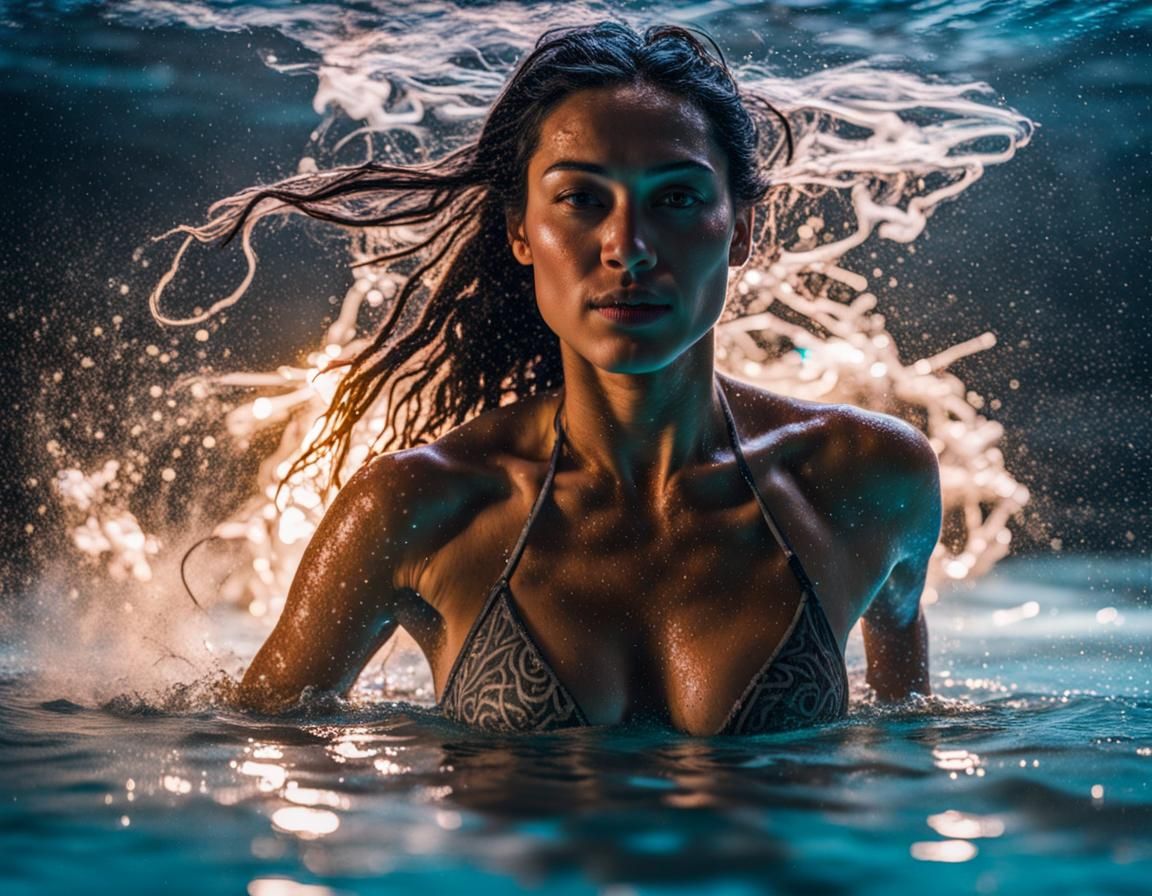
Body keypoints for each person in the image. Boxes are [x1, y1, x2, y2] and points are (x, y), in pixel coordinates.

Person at [227, 22, 941, 735]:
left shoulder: (869, 480)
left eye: (676, 198)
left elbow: (907, 740)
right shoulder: (415, 509)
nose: (627, 248)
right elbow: (250, 752)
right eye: (580, 199)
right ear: (519, 231)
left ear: (742, 228)